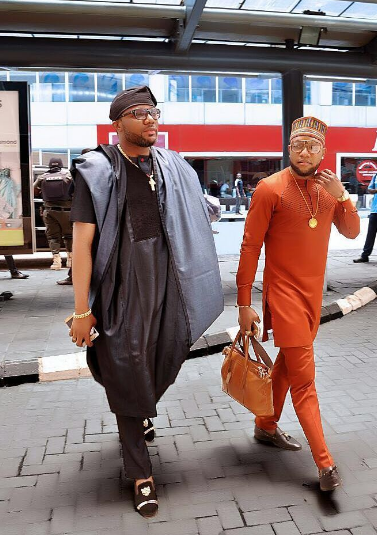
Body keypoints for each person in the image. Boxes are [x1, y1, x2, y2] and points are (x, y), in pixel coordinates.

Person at [69, 85, 223, 518]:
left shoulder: (173, 165)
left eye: (154, 111)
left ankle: (139, 410)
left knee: (164, 356)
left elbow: (195, 214)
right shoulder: (97, 171)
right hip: (121, 288)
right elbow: (82, 246)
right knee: (126, 366)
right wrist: (82, 310)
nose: (150, 119)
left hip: (170, 282)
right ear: (118, 123)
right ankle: (140, 472)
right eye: (139, 113)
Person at [236, 116, 360, 492]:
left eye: (313, 146)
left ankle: (265, 425)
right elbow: (250, 247)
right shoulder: (270, 189)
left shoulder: (329, 191)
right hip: (284, 295)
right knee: (304, 381)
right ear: (289, 148)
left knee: (288, 367)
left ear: (323, 152)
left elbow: (352, 231)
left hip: (312, 297)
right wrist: (244, 303)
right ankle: (325, 465)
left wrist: (343, 196)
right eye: (298, 145)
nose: (304, 152)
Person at [56, 148, 93, 286]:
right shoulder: (105, 169)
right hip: (103, 215)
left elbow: (70, 192)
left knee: (81, 248)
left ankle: (73, 277)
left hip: (84, 214)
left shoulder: (80, 171)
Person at [34, 158, 73, 271]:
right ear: (61, 165)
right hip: (67, 211)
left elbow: (34, 190)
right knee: (69, 236)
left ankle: (56, 261)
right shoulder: (68, 175)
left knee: (52, 237)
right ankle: (70, 260)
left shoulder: (42, 177)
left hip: (49, 211)